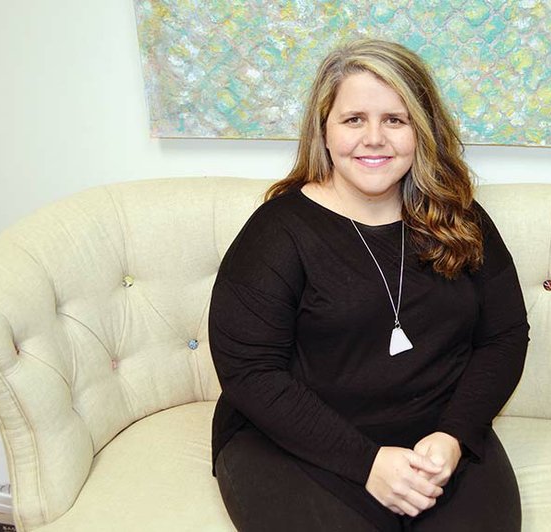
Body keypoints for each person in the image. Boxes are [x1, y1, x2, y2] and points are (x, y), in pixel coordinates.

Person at [209, 38, 529, 532]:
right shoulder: (277, 232)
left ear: (422, 131)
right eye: (354, 119)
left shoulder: (462, 221)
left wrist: (454, 436)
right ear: (326, 130)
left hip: (437, 437)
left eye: (395, 120)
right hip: (292, 439)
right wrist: (368, 464)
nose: (374, 138)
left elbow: (503, 337)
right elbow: (251, 373)